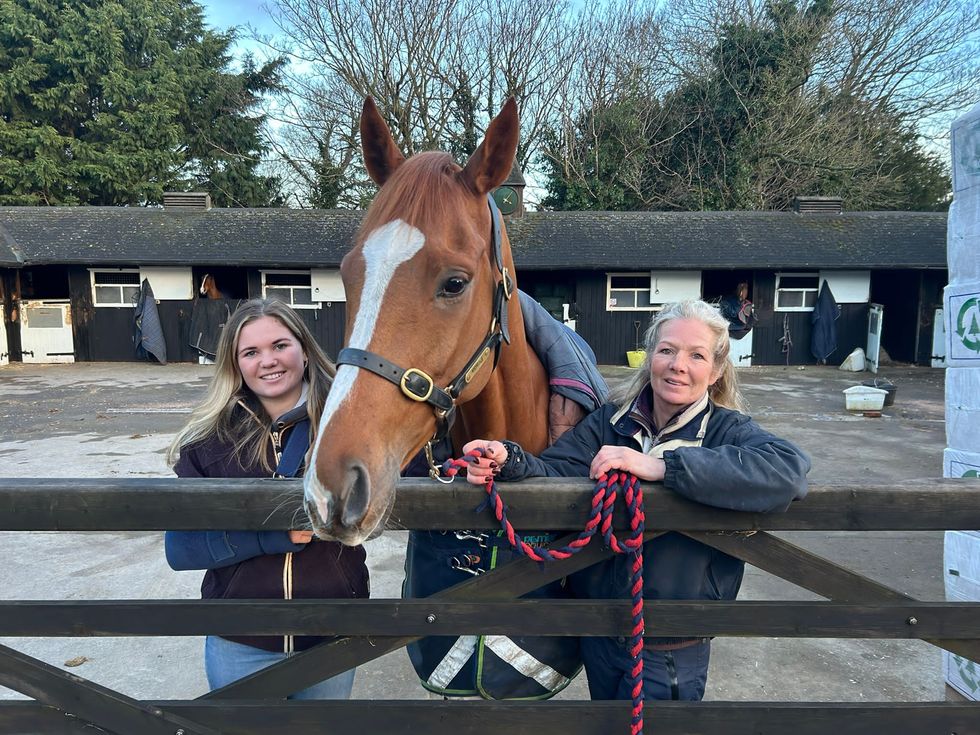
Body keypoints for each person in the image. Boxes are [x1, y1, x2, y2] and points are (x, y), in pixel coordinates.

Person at [461, 299, 810, 702]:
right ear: (651, 358)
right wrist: (508, 460)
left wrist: (663, 468)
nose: (678, 364)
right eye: (667, 350)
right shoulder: (608, 423)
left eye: (696, 355)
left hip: (672, 644)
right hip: (601, 635)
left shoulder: (728, 430)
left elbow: (787, 470)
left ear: (714, 371)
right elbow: (554, 472)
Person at [164, 298, 369, 699]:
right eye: (251, 352)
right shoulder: (210, 441)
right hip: (240, 637)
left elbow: (414, 478)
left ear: (305, 350)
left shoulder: (352, 427)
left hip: (331, 632)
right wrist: (269, 537)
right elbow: (181, 549)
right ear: (236, 364)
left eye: (280, 345)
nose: (268, 360)